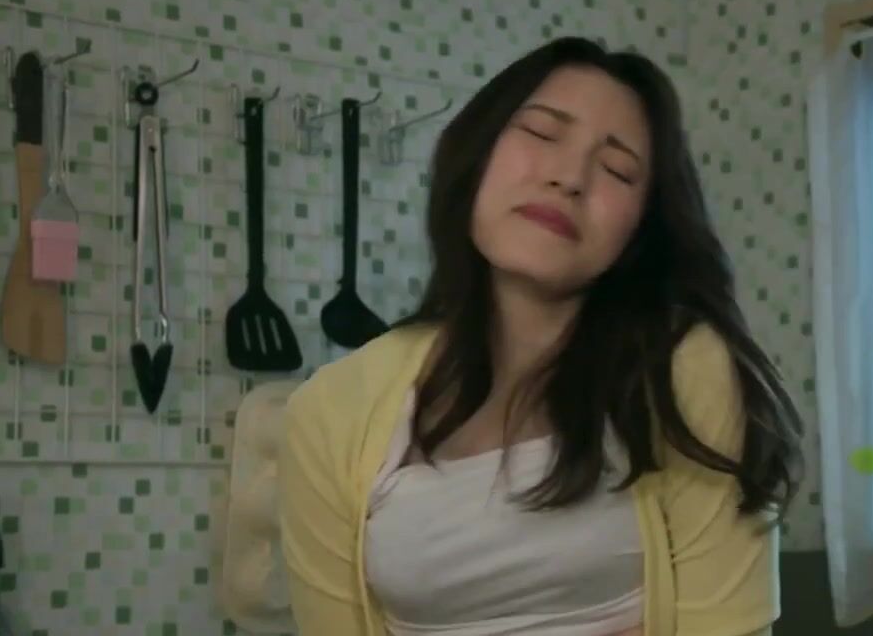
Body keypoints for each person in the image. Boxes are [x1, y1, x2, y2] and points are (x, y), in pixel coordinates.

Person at [278, 36, 804, 636]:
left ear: (640, 228)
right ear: (477, 153)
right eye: (540, 133)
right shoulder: (330, 410)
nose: (569, 177)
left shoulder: (685, 372)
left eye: (617, 170)